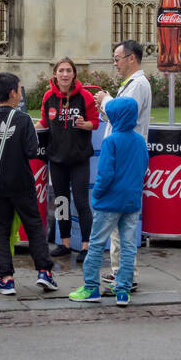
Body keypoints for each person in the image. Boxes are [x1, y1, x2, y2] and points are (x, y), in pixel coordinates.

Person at [0, 73, 58, 296]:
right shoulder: (23, 120)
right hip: (22, 182)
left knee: (0, 230)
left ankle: (6, 278)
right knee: (34, 226)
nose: (21, 93)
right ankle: (44, 272)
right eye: (20, 89)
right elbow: (32, 151)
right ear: (13, 93)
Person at [68, 97, 148, 306]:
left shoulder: (111, 140)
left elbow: (105, 174)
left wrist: (97, 196)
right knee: (128, 246)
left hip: (110, 201)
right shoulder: (139, 140)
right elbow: (143, 169)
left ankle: (91, 287)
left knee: (95, 244)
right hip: (132, 200)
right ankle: (123, 290)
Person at [94, 40, 151, 288]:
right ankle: (121, 272)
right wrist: (105, 107)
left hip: (125, 160)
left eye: (117, 58)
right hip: (125, 157)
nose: (115, 64)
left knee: (123, 223)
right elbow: (119, 116)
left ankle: (126, 275)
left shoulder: (138, 84)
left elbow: (125, 115)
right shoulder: (132, 84)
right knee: (121, 224)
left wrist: (106, 100)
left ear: (132, 59)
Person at [40, 57, 97, 263]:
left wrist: (85, 124)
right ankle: (64, 244)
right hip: (56, 159)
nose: (64, 74)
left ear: (74, 75)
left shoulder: (85, 97)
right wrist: (23, 128)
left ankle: (86, 246)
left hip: (79, 158)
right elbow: (45, 122)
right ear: (55, 74)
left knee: (81, 202)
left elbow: (95, 123)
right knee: (62, 201)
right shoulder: (48, 97)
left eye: (68, 71)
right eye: (61, 71)